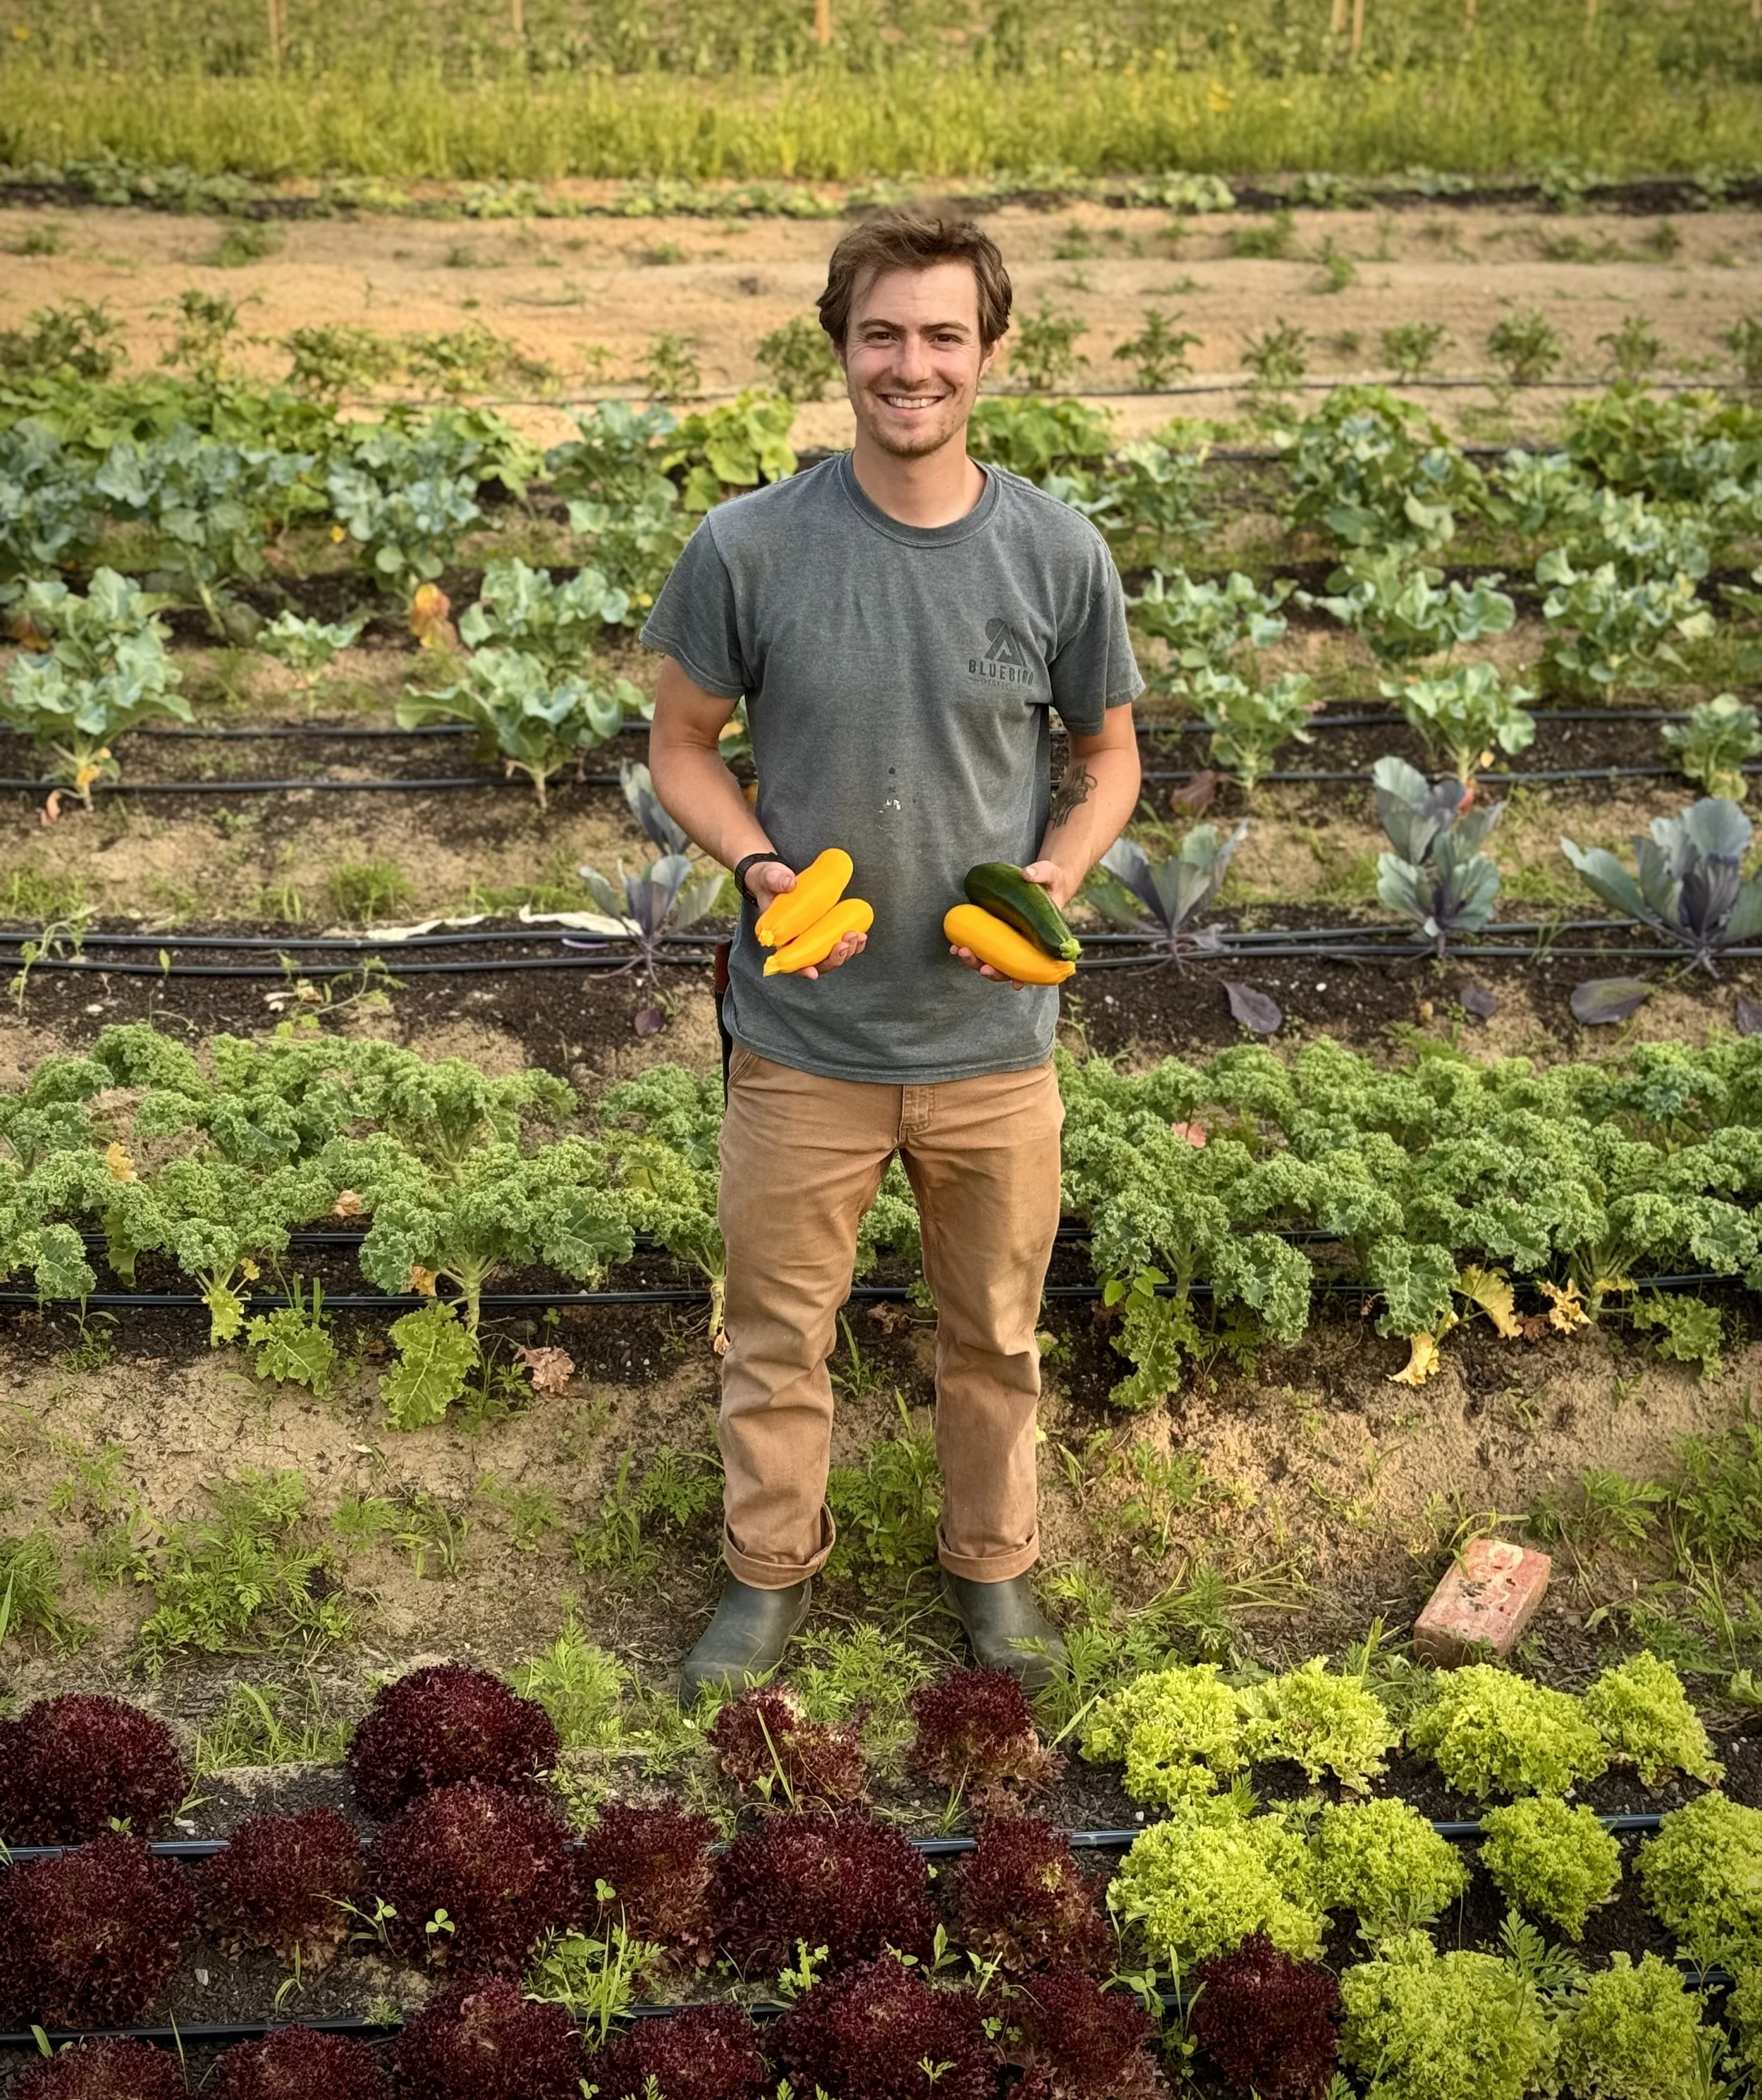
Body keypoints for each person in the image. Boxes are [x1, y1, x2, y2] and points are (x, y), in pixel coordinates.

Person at [643, 211, 1142, 1700]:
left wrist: (1057, 866)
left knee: (993, 1331)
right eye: (879, 334)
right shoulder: (751, 547)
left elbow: (1108, 757)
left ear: (988, 353)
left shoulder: (1054, 551)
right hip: (802, 1034)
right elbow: (679, 745)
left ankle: (991, 1569)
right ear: (839, 346)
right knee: (773, 1333)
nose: (907, 365)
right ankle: (763, 1577)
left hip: (991, 1047)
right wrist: (754, 862)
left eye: (939, 336)